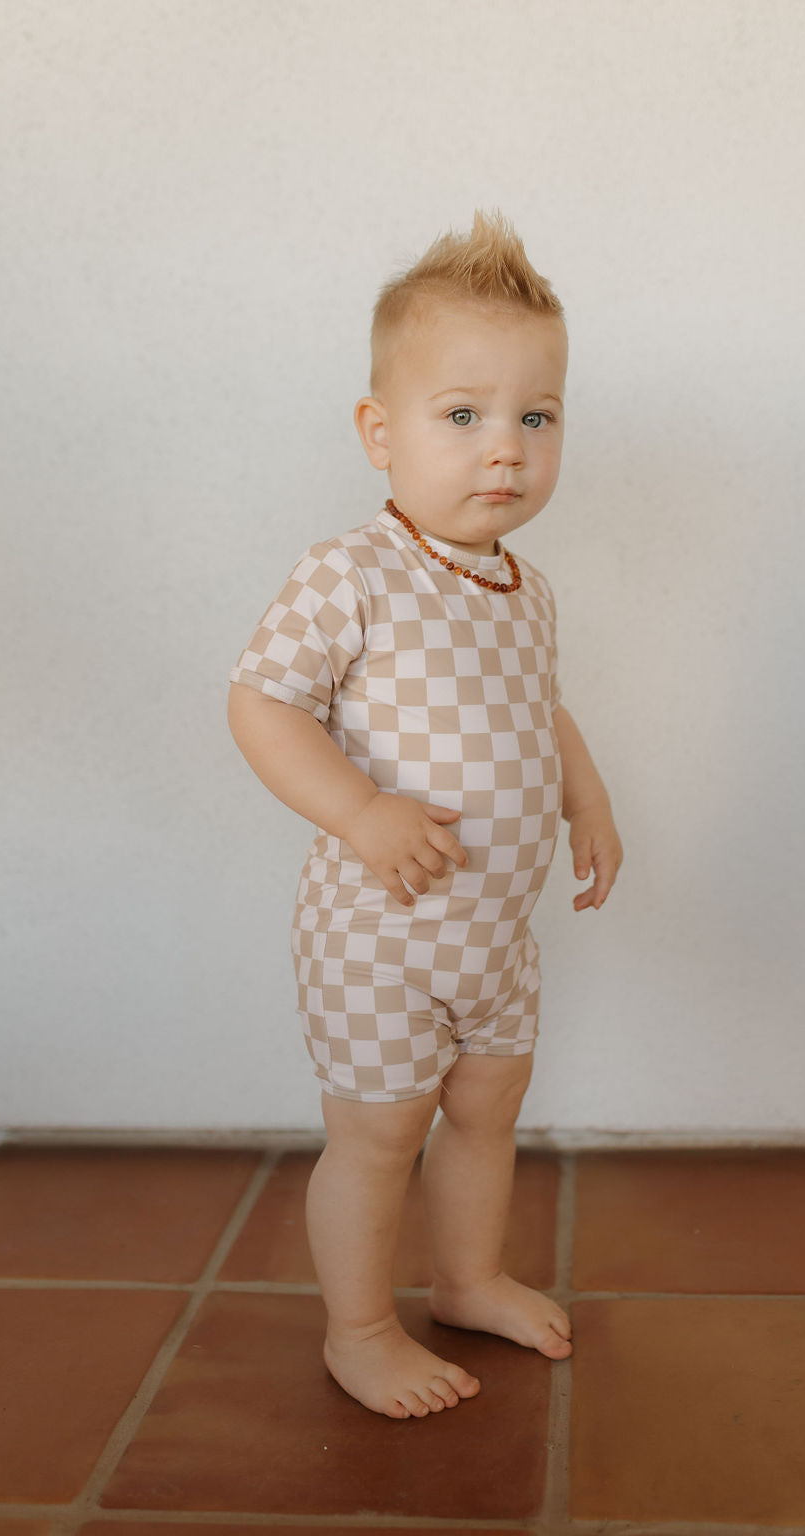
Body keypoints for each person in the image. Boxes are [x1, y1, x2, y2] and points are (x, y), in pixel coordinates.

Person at [227, 209, 622, 1420]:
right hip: (382, 932)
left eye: (535, 417)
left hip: (494, 932)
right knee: (381, 1131)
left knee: (488, 1108)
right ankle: (358, 1327)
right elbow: (261, 705)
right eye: (463, 416)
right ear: (379, 433)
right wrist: (359, 811)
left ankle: (467, 1276)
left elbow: (538, 709)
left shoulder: (522, 589)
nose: (504, 449)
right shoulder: (351, 572)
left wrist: (587, 798)